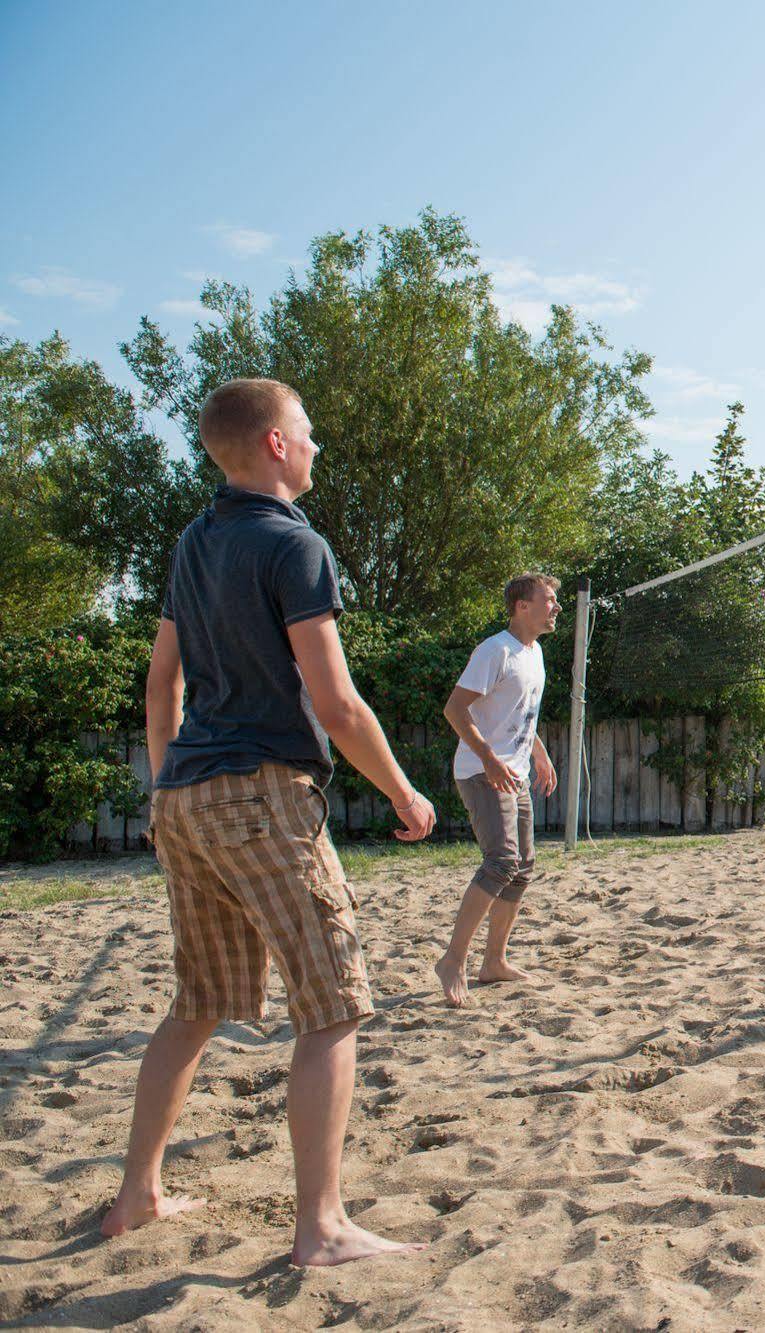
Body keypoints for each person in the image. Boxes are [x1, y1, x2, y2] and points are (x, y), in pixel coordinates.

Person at [102, 378, 438, 1265]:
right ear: (277, 446)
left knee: (199, 1004)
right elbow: (335, 700)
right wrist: (405, 792)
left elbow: (160, 682)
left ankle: (135, 1195)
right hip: (261, 793)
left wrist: (168, 781)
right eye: (309, 430)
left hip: (185, 797)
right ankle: (321, 1228)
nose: (318, 443)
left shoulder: (193, 540)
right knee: (331, 1006)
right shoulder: (294, 543)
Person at [434, 574, 561, 1007]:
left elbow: (519, 712)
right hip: (481, 771)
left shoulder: (535, 652)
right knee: (501, 861)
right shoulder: (494, 651)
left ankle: (495, 962)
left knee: (522, 867)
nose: (556, 606)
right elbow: (455, 709)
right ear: (522, 606)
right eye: (548, 599)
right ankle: (453, 960)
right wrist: (489, 759)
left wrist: (538, 752)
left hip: (516, 772)